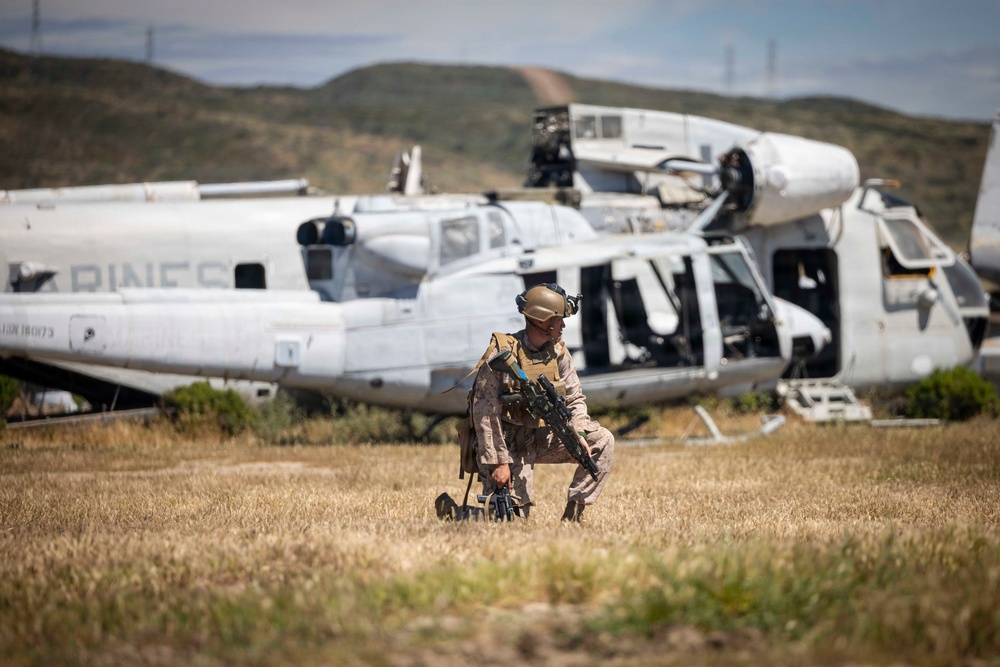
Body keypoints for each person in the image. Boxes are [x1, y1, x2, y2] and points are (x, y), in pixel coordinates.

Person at [470, 283, 614, 522]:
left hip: (545, 436)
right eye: (559, 319)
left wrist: (578, 431)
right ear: (544, 320)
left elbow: (575, 398)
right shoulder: (503, 355)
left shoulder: (558, 352)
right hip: (508, 442)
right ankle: (459, 513)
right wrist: (498, 462)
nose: (564, 325)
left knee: (602, 440)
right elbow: (485, 413)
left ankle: (573, 515)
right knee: (509, 520)